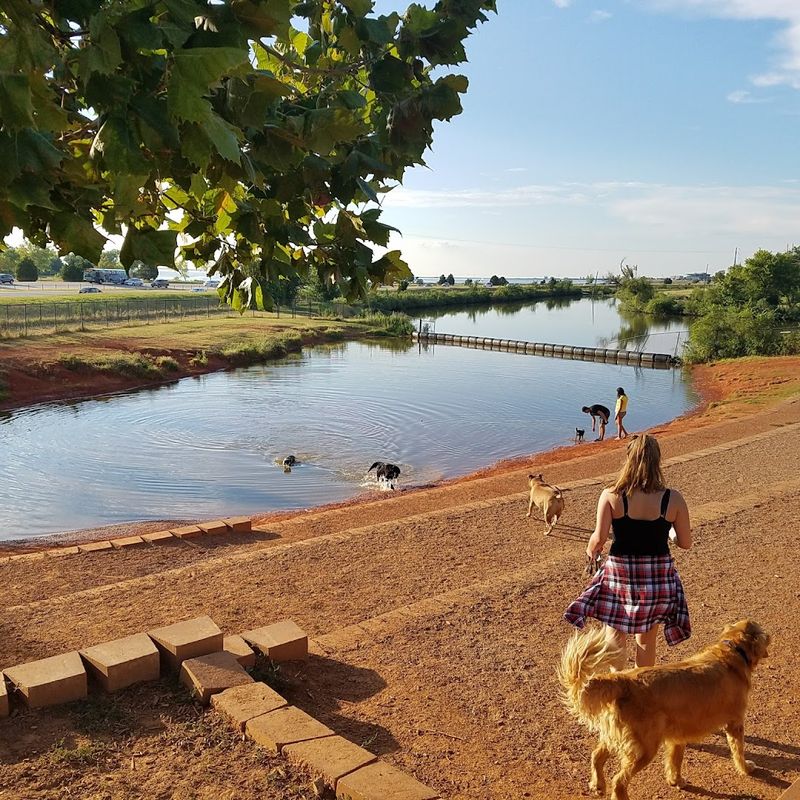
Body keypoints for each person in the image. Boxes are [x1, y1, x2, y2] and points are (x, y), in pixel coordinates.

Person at [564, 434, 692, 668]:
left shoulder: (611, 495)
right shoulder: (672, 499)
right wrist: (669, 533)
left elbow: (599, 539)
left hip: (620, 577)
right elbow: (685, 542)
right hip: (656, 578)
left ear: (628, 459)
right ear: (657, 461)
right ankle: (642, 691)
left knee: (614, 637)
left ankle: (618, 690)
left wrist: (591, 549)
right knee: (646, 640)